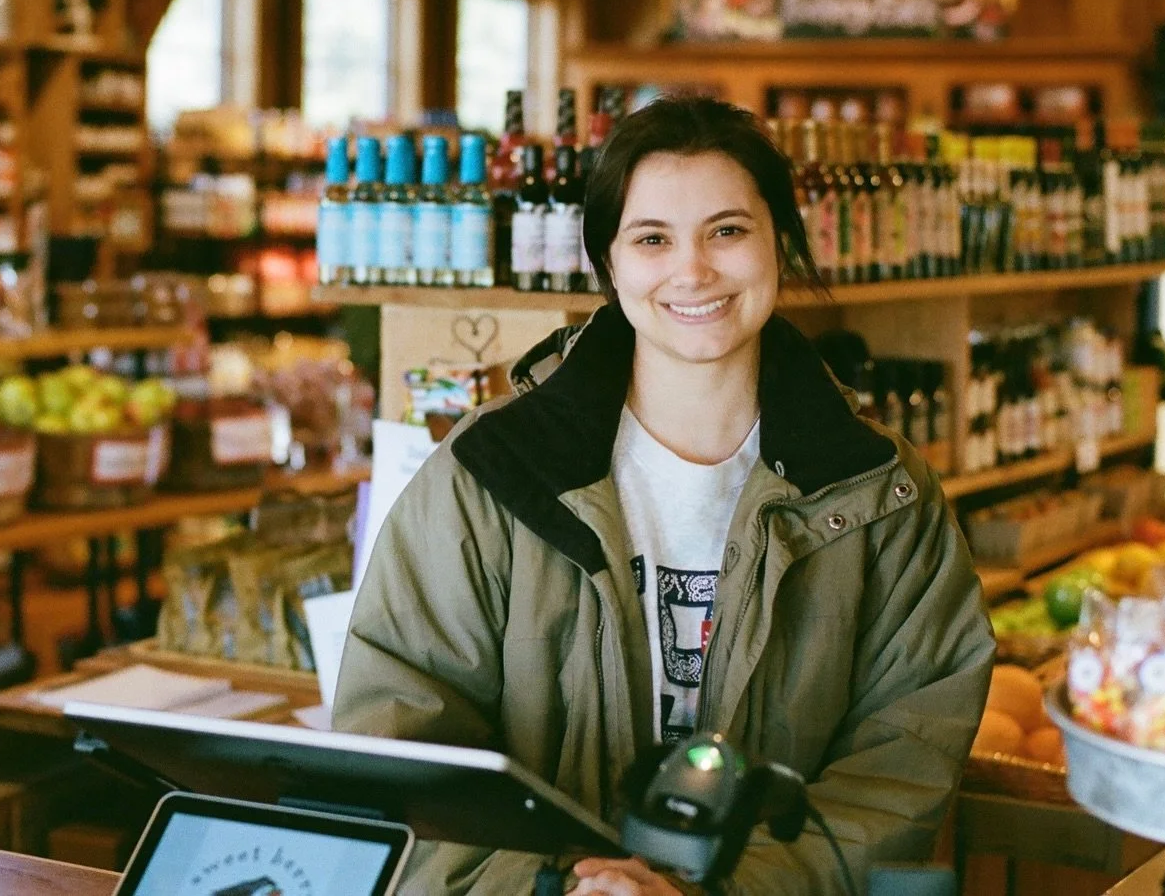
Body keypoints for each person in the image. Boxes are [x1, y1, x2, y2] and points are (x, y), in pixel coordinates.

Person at [334, 96, 994, 895]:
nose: (693, 271)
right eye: (653, 239)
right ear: (610, 265)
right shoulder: (492, 474)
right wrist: (560, 887)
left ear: (780, 244)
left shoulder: (880, 491)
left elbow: (905, 761)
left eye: (728, 230)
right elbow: (405, 740)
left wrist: (728, 889)